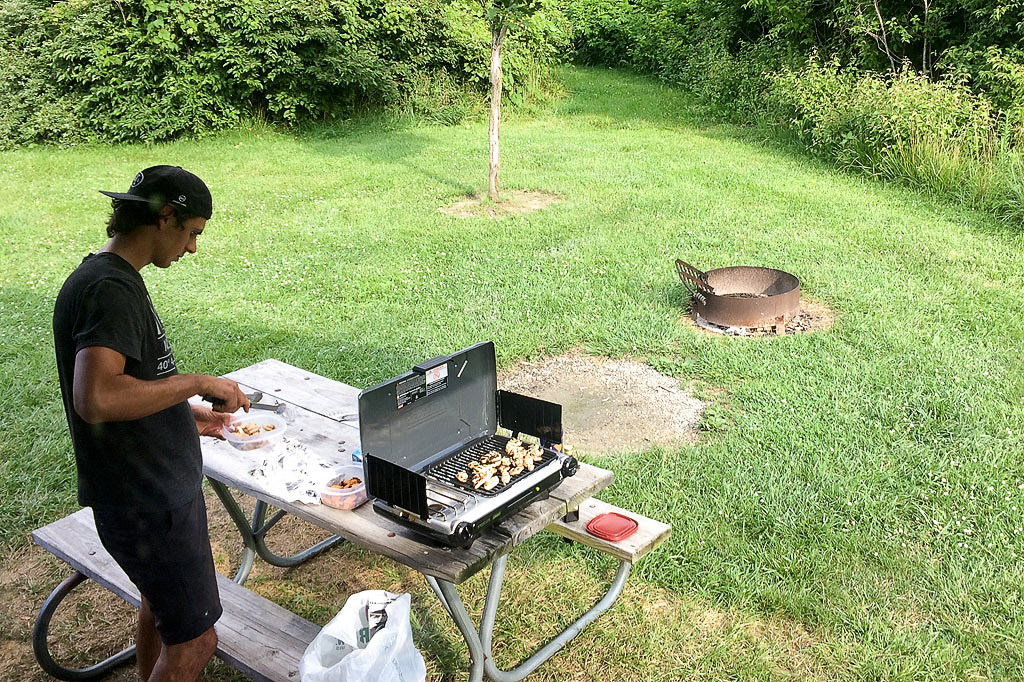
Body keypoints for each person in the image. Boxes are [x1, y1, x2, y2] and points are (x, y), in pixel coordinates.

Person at [52, 165, 251, 681]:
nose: (191, 249)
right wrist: (195, 382)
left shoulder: (104, 277)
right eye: (192, 234)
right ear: (166, 218)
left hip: (142, 491)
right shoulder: (109, 290)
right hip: (149, 502)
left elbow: (128, 390)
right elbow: (95, 397)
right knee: (195, 641)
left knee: (161, 611)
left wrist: (189, 419)